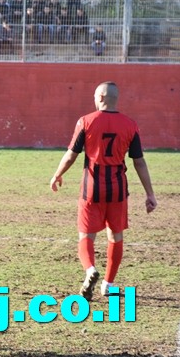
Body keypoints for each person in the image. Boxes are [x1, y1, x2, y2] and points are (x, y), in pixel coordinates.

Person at [50, 81, 157, 301]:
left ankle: (90, 270)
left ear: (100, 97)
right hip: (118, 189)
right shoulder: (130, 125)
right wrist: (150, 193)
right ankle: (108, 285)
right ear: (115, 99)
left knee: (86, 235)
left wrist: (57, 174)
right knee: (115, 236)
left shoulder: (86, 121)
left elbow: (71, 154)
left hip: (92, 188)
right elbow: (139, 162)